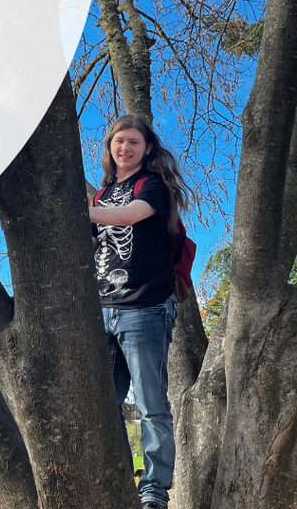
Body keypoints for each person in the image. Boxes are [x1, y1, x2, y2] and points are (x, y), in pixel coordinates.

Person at [90, 114, 192, 509]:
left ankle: (153, 490)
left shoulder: (152, 186)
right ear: (110, 146)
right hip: (103, 309)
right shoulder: (101, 194)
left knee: (151, 405)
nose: (126, 148)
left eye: (134, 142)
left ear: (147, 148)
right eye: (120, 141)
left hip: (145, 306)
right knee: (103, 401)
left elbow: (128, 216)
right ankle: (118, 474)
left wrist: (78, 209)